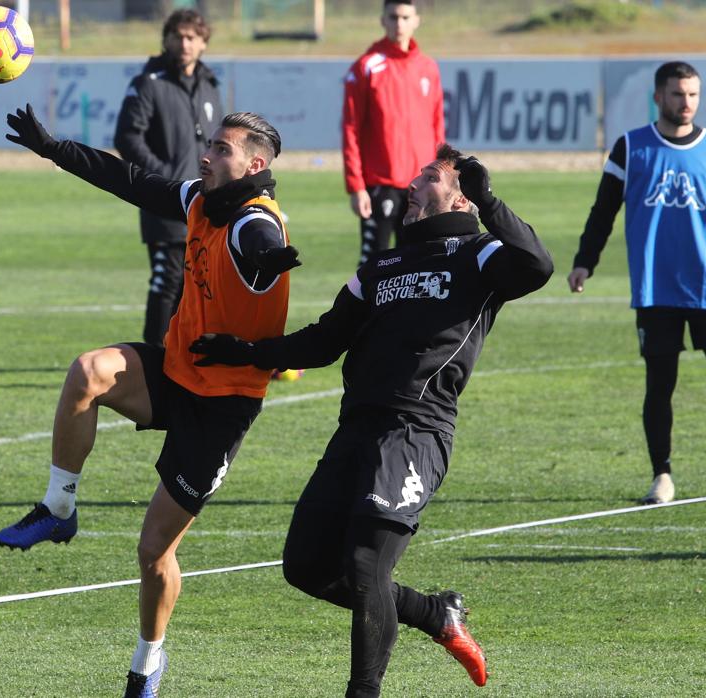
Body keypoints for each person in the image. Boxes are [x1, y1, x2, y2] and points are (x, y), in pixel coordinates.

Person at [191, 145, 554, 696]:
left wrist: (488, 199)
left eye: (429, 177)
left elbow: (538, 265)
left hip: (416, 431)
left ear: (459, 196)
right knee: (306, 566)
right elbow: (325, 341)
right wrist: (246, 350)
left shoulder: (480, 253)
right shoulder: (382, 265)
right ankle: (436, 614)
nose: (411, 184)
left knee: (365, 564)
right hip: (355, 429)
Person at [0, 104, 299, 698]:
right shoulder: (201, 200)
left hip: (221, 406)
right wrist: (53, 148)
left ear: (254, 165)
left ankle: (147, 662)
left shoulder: (253, 222)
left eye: (222, 150)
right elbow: (129, 180)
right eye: (210, 144)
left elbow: (261, 246)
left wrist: (270, 259)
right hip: (176, 371)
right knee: (89, 371)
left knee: (154, 551)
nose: (208, 155)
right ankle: (59, 508)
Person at [565, 60, 706, 505]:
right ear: (658, 96)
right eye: (677, 94)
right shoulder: (631, 148)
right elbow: (603, 210)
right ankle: (661, 476)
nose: (686, 103)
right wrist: (585, 261)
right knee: (659, 383)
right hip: (656, 286)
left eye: (693, 95)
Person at [114, 8, 223, 347]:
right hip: (166, 201)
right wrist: (162, 180)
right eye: (178, 36)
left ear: (203, 42)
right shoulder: (148, 83)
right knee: (167, 280)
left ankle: (179, 355)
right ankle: (150, 359)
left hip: (205, 203)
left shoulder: (209, 85)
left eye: (192, 37)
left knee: (196, 284)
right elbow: (128, 138)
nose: (184, 43)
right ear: (166, 40)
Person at [342, 0, 444, 267]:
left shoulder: (428, 68)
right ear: (383, 20)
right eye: (393, 17)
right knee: (373, 265)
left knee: (415, 264)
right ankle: (364, 311)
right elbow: (350, 128)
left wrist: (441, 177)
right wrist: (357, 186)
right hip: (380, 185)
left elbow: (437, 128)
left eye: (405, 17)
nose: (399, 24)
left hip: (419, 185)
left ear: (416, 20)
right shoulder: (366, 66)